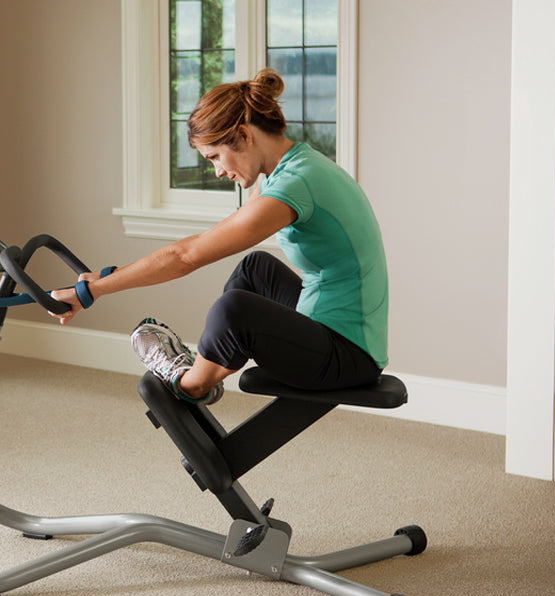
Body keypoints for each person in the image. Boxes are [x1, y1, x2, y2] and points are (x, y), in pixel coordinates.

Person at [50, 68, 388, 405]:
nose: (218, 171)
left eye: (214, 157)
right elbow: (205, 241)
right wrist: (106, 278)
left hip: (347, 356)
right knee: (255, 270)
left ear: (243, 135)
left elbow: (187, 257)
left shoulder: (295, 185)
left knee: (234, 309)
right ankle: (205, 369)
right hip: (327, 327)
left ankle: (189, 383)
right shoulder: (289, 170)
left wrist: (91, 291)